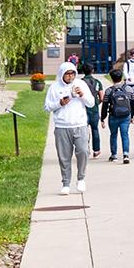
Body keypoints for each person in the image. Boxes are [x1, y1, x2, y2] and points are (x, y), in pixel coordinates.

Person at [43, 62, 97, 195]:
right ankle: (66, 183)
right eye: (67, 74)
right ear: (62, 74)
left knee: (83, 151)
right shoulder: (54, 87)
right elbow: (47, 107)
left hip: (80, 124)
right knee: (64, 156)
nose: (70, 76)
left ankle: (81, 179)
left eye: (72, 73)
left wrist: (82, 95)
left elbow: (91, 103)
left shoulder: (81, 84)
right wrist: (60, 102)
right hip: (62, 126)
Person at [100, 69, 134, 164]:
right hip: (126, 116)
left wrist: (102, 118)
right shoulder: (129, 89)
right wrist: (132, 115)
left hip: (113, 116)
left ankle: (114, 155)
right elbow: (133, 103)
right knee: (125, 135)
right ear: (121, 77)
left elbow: (105, 105)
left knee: (113, 135)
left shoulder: (109, 91)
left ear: (112, 79)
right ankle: (126, 155)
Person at [82, 62, 106, 158]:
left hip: (83, 110)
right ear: (93, 71)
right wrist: (96, 103)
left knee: (84, 131)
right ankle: (96, 150)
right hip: (94, 110)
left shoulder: (81, 82)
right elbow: (102, 97)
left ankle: (85, 150)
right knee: (95, 129)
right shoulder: (97, 82)